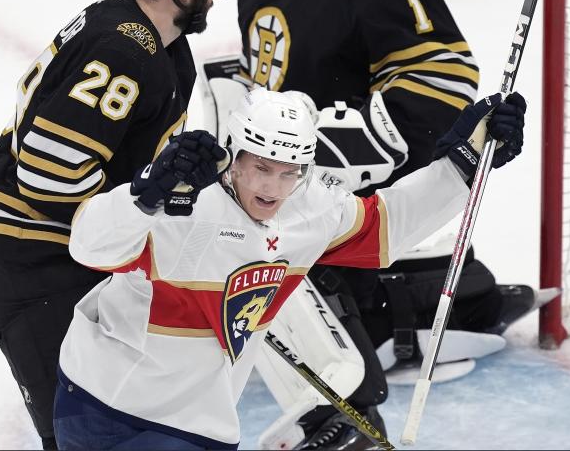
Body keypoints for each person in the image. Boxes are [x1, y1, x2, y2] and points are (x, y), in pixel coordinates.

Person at [221, 0, 544, 448]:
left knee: (318, 247)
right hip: (275, 141)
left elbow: (446, 73)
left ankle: (385, 320)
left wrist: (370, 136)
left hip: (355, 143)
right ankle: (372, 313)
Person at [53, 88, 526, 450]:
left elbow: (388, 226)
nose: (273, 186)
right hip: (103, 402)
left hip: (198, 420)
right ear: (233, 154)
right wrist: (145, 194)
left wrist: (462, 166)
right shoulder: (183, 201)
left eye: (289, 170)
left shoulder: (309, 210)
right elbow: (89, 246)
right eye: (260, 166)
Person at [0, 0, 233, 449]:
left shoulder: (163, 50)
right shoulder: (123, 49)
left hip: (64, 258)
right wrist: (144, 199)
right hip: (28, 261)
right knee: (83, 438)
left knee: (124, 421)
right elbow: (50, 175)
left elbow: (132, 175)